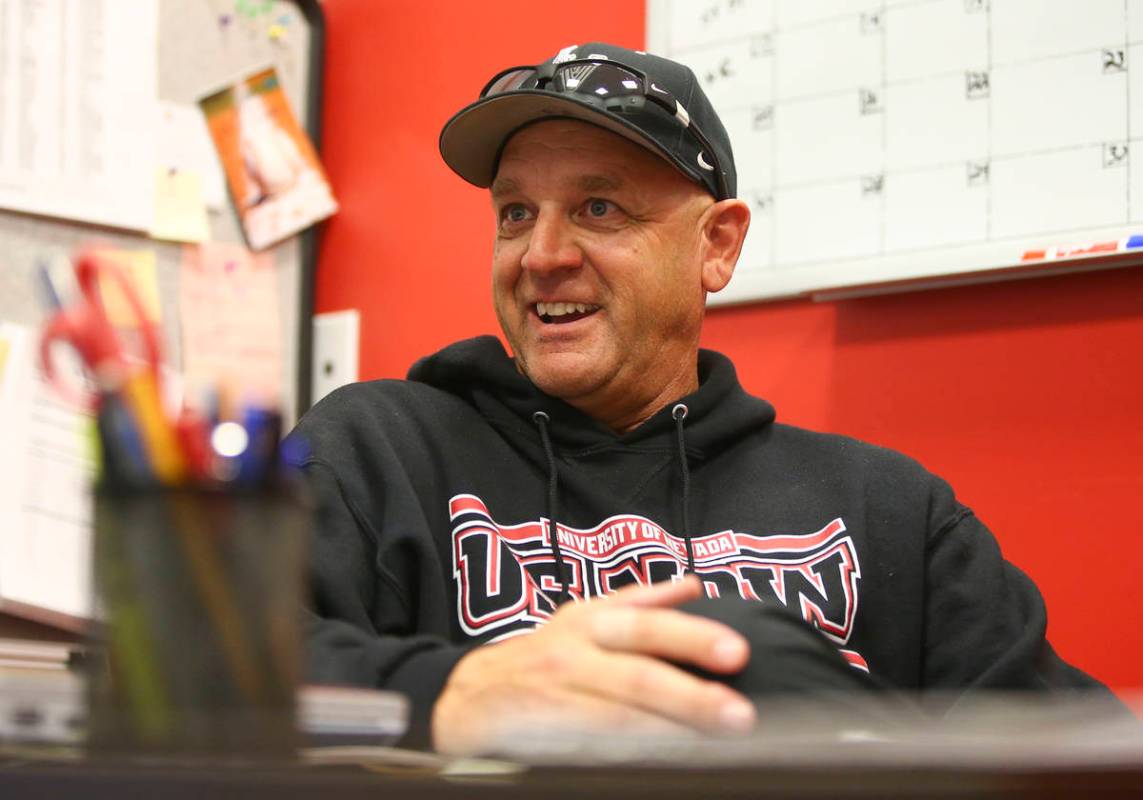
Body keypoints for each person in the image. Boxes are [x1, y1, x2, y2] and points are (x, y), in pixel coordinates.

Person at [290, 42, 1108, 755]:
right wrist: (452, 696)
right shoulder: (378, 451)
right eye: (514, 213)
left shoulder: (888, 510)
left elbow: (1069, 751)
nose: (539, 255)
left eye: (596, 208)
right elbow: (216, 672)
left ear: (716, 245)